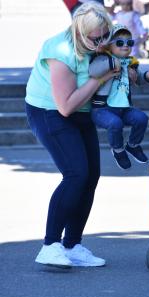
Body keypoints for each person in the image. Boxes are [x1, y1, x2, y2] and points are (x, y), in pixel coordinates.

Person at [26, 2, 117, 268]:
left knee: (91, 176)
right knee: (76, 173)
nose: (101, 42)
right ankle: (50, 245)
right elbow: (65, 106)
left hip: (81, 109)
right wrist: (99, 79)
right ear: (79, 32)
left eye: (105, 35)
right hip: (50, 111)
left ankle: (72, 245)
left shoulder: (100, 40)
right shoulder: (61, 50)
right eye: (95, 38)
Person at [89, 24, 149, 169]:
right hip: (102, 110)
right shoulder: (103, 59)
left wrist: (148, 76)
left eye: (129, 43)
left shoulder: (130, 63)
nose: (125, 46)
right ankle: (118, 149)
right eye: (120, 43)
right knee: (115, 124)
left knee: (141, 119)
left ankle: (133, 145)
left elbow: (138, 78)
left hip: (124, 109)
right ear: (109, 46)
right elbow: (93, 71)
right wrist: (113, 62)